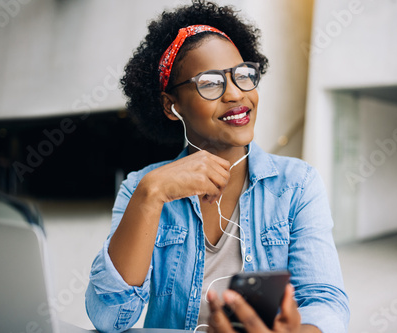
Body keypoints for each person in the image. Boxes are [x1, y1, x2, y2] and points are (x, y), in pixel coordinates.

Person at [85, 1, 350, 332]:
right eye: (210, 83)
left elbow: (325, 301)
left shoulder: (297, 184)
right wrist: (150, 196)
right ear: (171, 105)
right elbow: (108, 319)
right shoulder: (142, 186)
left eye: (243, 76)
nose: (237, 94)